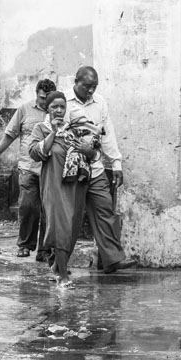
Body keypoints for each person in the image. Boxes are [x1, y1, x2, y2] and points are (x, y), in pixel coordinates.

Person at [65, 66, 136, 273]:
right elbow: (54, 130)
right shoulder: (63, 101)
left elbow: (107, 134)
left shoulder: (100, 103)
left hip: (95, 169)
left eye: (94, 87)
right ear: (76, 81)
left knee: (105, 210)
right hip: (71, 172)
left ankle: (112, 259)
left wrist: (116, 164)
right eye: (87, 86)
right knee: (71, 219)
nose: (90, 91)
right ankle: (59, 263)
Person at [28, 91, 99, 289]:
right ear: (47, 109)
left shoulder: (74, 129)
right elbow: (35, 153)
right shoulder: (40, 129)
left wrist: (87, 149)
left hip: (75, 186)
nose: (59, 110)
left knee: (72, 227)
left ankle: (58, 265)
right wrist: (53, 132)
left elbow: (92, 154)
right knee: (60, 227)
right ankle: (62, 275)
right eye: (54, 107)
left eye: (62, 107)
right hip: (53, 186)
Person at [0, 77, 57, 259]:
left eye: (48, 98)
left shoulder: (58, 113)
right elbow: (10, 134)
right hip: (28, 168)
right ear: (37, 95)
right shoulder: (24, 110)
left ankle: (44, 250)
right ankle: (25, 244)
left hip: (50, 170)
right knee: (27, 207)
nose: (46, 102)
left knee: (47, 211)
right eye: (42, 98)